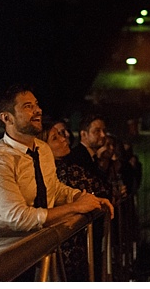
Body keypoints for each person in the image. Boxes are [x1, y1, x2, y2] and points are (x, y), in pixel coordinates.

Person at [0, 87, 111, 264]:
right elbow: (19, 218)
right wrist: (75, 207)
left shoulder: (42, 149)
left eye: (37, 105)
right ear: (7, 118)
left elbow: (54, 189)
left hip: (38, 250)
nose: (38, 110)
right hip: (2, 260)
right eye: (28, 106)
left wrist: (85, 198)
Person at [44, 118, 113, 280]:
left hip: (68, 243)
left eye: (63, 133)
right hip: (67, 242)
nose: (64, 138)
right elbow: (103, 190)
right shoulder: (66, 169)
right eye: (56, 137)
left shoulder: (61, 168)